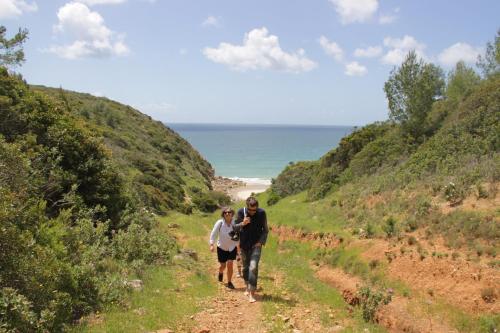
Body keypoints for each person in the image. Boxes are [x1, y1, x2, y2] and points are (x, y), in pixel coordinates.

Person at [234, 196, 269, 303]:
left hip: (256, 246)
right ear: (247, 207)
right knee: (245, 267)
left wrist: (260, 242)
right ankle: (247, 286)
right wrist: (242, 223)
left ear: (257, 207)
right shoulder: (241, 212)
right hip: (244, 245)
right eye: (250, 210)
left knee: (253, 267)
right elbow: (234, 227)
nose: (252, 212)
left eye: (255, 210)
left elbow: (265, 230)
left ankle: (251, 293)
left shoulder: (262, 213)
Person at [209, 207, 238, 289]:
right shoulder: (220, 223)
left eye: (229, 212)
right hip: (221, 247)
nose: (227, 214)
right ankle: (220, 272)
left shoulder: (235, 223)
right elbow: (214, 233)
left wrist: (238, 245)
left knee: (230, 264)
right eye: (225, 212)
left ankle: (229, 282)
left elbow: (238, 235)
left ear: (232, 214)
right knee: (223, 266)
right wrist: (211, 244)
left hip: (232, 247)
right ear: (223, 214)